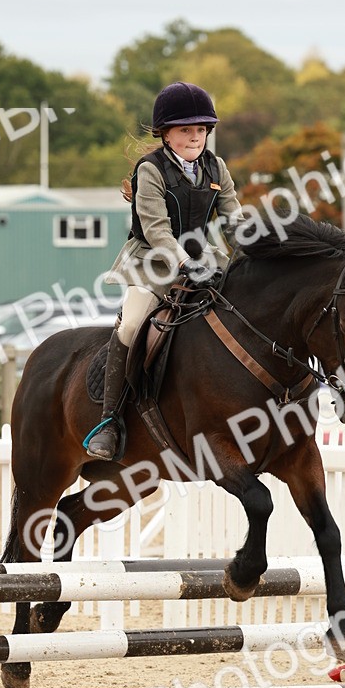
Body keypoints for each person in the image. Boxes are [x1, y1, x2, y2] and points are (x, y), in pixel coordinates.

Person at [84, 81, 245, 460]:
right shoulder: (150, 170)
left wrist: (258, 253)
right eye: (186, 130)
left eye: (201, 130)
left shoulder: (216, 167)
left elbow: (235, 221)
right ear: (166, 134)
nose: (195, 137)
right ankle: (109, 420)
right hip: (152, 263)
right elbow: (156, 230)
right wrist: (186, 263)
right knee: (132, 323)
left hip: (202, 259)